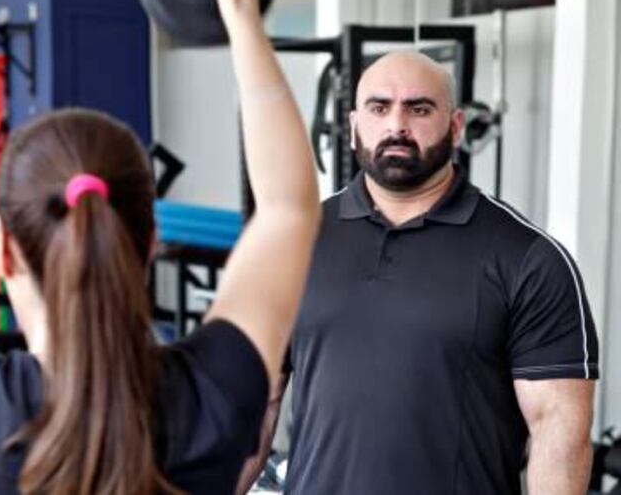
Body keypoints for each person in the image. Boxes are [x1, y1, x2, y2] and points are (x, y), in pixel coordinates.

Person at [0, 0, 319, 495]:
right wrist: (238, 8)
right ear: (149, 243)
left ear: (3, 250)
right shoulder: (206, 400)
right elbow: (288, 209)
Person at [239, 51, 599, 495]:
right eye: (379, 107)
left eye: (419, 108)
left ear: (456, 126)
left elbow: (558, 433)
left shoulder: (528, 258)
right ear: (354, 125)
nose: (396, 126)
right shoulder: (294, 243)